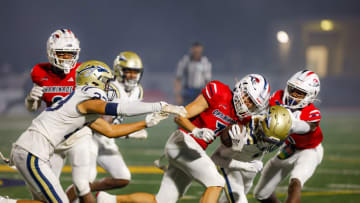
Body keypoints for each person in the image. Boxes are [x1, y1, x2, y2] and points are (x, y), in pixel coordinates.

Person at [10, 60, 186, 203]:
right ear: (94, 80)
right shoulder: (86, 99)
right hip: (33, 152)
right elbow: (121, 108)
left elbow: (110, 130)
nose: (108, 87)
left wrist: (145, 123)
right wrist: (161, 105)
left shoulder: (82, 103)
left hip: (32, 150)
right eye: (106, 82)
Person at [97, 74, 271, 203]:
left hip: (193, 151)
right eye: (248, 99)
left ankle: (107, 200)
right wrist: (196, 131)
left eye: (253, 104)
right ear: (241, 87)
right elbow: (180, 115)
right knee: (216, 182)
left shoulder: (242, 118)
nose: (248, 105)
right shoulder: (219, 92)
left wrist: (236, 145)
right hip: (183, 141)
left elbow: (225, 147)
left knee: (162, 201)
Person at [64, 51, 149, 202]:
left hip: (106, 139)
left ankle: (97, 196)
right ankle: (66, 198)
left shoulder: (138, 91)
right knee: (86, 179)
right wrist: (129, 133)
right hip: (90, 135)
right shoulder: (111, 89)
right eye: (128, 71)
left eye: (135, 72)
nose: (132, 75)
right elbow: (104, 124)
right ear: (118, 70)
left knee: (123, 177)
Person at [253, 70, 323, 203]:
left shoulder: (312, 112)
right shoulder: (278, 97)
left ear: (310, 95)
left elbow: (309, 126)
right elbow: (263, 113)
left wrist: (291, 124)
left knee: (295, 183)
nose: (293, 95)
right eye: (292, 89)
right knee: (261, 194)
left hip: (309, 151)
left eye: (300, 93)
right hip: (289, 148)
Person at [211, 105, 292, 203]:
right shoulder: (244, 131)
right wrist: (234, 150)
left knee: (226, 201)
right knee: (240, 200)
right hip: (230, 165)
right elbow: (215, 159)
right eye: (266, 139)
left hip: (250, 168)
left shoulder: (279, 132)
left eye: (272, 142)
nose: (268, 144)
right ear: (262, 126)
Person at [25, 29, 81, 112]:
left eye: (70, 54)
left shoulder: (82, 71)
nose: (66, 58)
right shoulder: (40, 71)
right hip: (54, 122)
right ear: (50, 52)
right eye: (61, 54)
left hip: (78, 121)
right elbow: (32, 108)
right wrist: (30, 99)